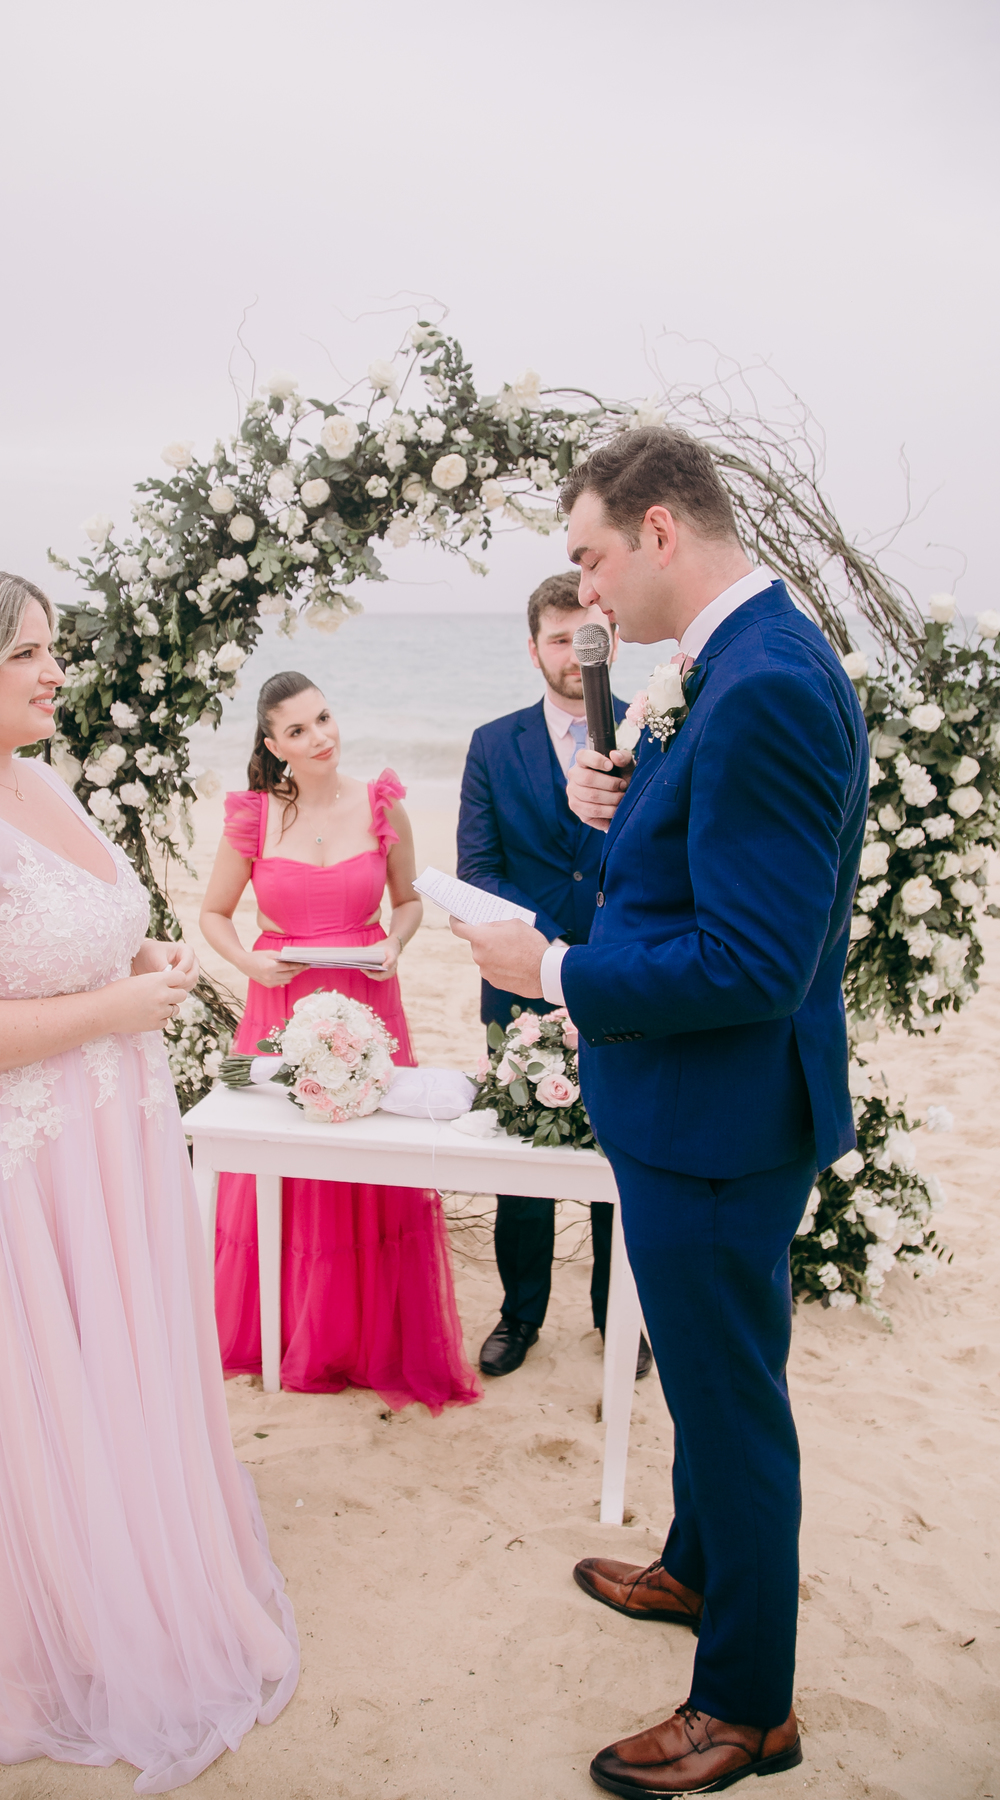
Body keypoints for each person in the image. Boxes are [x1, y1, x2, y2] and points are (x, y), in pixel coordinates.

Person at [451, 429, 869, 1794]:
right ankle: (696, 1566)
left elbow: (755, 962)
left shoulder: (768, 686)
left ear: (661, 532)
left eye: (589, 557)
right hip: (689, 1108)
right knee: (698, 1375)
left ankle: (747, 1708)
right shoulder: (729, 663)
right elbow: (703, 871)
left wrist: (554, 971)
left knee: (731, 1405)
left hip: (721, 1123)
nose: (584, 593)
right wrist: (618, 811)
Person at [0, 561, 299, 1794]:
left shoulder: (39, 782)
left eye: (53, 646)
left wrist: (139, 960)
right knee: (40, 1368)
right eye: (26, 653)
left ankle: (137, 1568)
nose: (55, 672)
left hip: (110, 1147)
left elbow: (67, 941)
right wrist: (118, 1008)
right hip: (16, 1157)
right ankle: (49, 1617)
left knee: (114, 1357)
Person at [200, 671, 482, 1415]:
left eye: (323, 718)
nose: (320, 737)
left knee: (370, 1155)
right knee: (284, 1155)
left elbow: (409, 902)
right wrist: (249, 963)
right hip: (279, 1003)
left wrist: (395, 943)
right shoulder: (253, 817)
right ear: (274, 746)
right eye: (298, 730)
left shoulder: (382, 803)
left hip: (368, 1000)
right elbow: (214, 914)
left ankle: (364, 1338)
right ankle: (284, 1327)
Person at [456, 572, 650, 1381]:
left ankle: (617, 1317)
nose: (574, 653)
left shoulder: (654, 733)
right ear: (533, 648)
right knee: (521, 1154)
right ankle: (520, 1313)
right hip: (517, 985)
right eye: (558, 638)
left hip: (621, 980)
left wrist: (587, 960)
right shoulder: (492, 744)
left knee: (618, 1150)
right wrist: (543, 952)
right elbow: (478, 868)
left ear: (612, 640)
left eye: (586, 637)